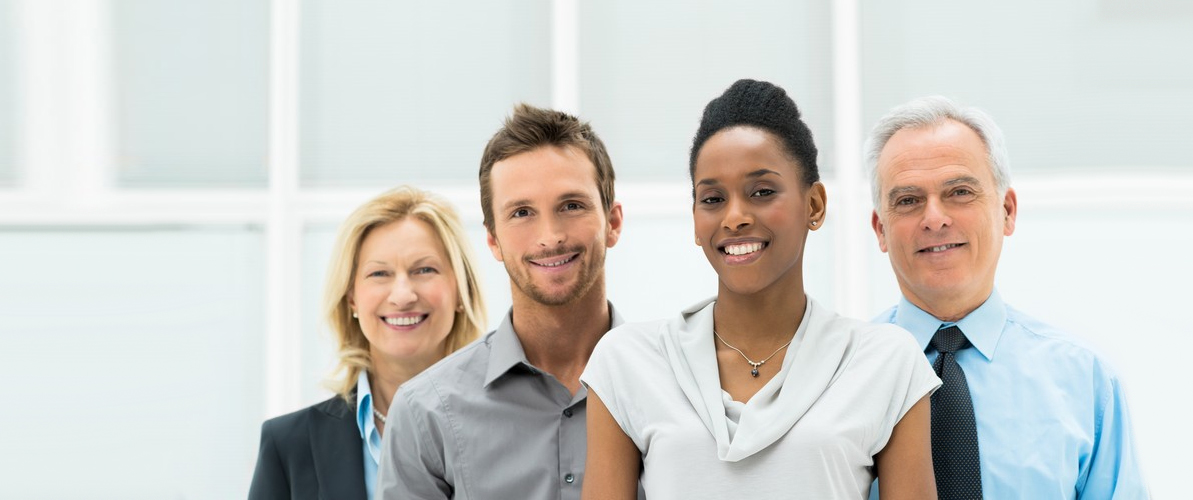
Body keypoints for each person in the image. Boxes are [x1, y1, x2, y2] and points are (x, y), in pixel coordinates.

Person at [580, 79, 940, 500]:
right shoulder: (628, 362)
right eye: (712, 199)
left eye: (762, 192)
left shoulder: (885, 362)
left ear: (815, 205)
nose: (734, 217)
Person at [866, 96, 1149, 499]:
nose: (934, 218)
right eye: (908, 201)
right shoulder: (836, 381)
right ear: (880, 229)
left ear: (1007, 211)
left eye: (959, 192)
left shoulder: (1085, 382)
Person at [378, 104, 631, 500]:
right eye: (522, 212)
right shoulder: (424, 414)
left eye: (571, 205)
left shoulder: (675, 388)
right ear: (493, 239)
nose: (550, 236)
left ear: (613, 222)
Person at [248, 186, 490, 500]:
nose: (403, 295)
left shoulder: (515, 425)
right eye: (379, 273)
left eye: (424, 269)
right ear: (351, 298)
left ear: (462, 292)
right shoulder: (289, 445)